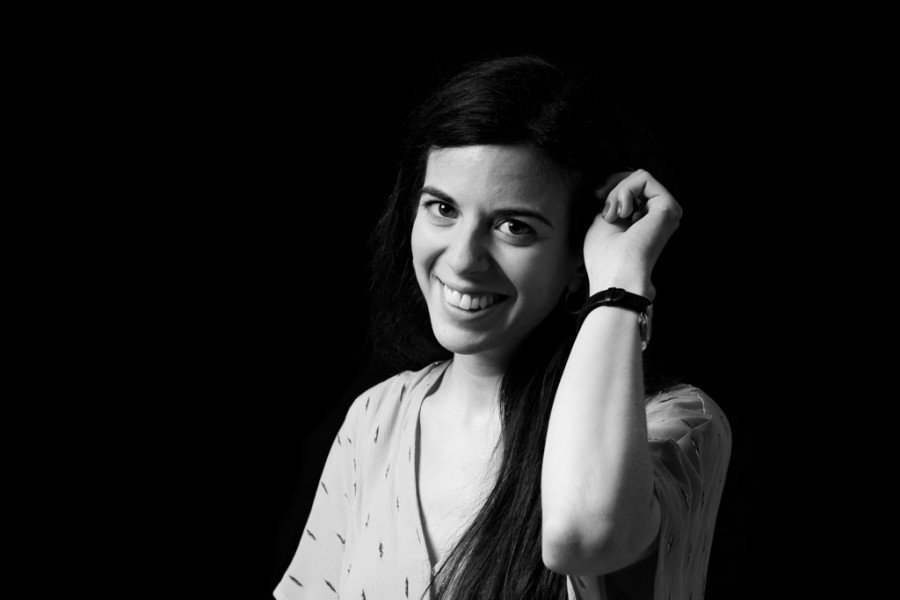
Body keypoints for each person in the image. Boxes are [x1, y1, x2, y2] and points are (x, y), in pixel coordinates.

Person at [273, 54, 731, 600]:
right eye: (442, 208)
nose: (463, 259)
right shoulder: (376, 418)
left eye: (514, 226)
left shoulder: (680, 427)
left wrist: (617, 283)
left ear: (579, 256)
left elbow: (582, 537)